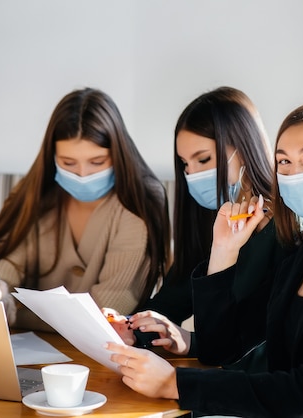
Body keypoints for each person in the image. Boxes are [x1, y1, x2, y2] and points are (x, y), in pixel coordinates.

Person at [105, 101, 303, 417]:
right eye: (283, 161)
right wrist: (224, 252)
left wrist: (175, 384)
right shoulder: (301, 254)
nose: (293, 172)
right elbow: (222, 349)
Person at [0, 88, 172, 331]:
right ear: (52, 157)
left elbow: (107, 312)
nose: (82, 174)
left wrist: (14, 311)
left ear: (118, 155)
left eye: (97, 162)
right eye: (68, 163)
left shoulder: (138, 205)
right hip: (23, 345)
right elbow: (9, 265)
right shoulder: (33, 196)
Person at [106, 86, 288, 367]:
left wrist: (190, 340)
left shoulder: (287, 229)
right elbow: (171, 303)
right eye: (185, 164)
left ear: (244, 147)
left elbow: (261, 342)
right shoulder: (211, 221)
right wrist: (131, 327)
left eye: (203, 159)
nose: (192, 174)